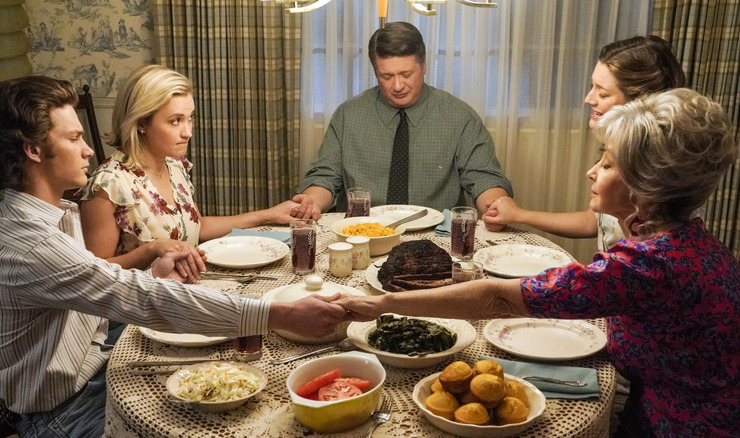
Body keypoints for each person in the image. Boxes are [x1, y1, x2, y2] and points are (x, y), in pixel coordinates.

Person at [338, 88, 740, 437]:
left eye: (607, 163)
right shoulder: (686, 238)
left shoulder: (647, 265)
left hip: (686, 424)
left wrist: (379, 306)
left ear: (645, 184)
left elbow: (499, 299)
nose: (591, 172)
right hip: (659, 404)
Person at [0, 75, 350, 438]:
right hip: (62, 412)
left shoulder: (54, 216)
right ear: (33, 151)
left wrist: (154, 276)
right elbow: (136, 298)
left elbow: (96, 287)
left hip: (99, 363)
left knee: (229, 375)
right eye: (74, 138)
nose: (88, 149)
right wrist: (279, 314)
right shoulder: (31, 244)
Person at [80, 65, 306, 270]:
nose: (188, 132)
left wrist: (269, 214)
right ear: (140, 124)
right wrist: (150, 249)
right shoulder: (108, 185)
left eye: (190, 118)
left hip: (184, 289)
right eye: (175, 121)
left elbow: (198, 226)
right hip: (140, 306)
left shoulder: (174, 164)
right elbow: (96, 272)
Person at [291, 22, 512, 226]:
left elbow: (483, 177)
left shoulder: (460, 116)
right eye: (386, 76)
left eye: (406, 74)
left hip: (434, 234)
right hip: (363, 232)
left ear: (424, 65)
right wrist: (311, 202)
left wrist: (495, 205)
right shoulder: (348, 115)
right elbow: (325, 176)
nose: (397, 86)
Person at [482, 35, 686, 251]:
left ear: (639, 102)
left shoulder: (657, 175)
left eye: (603, 93)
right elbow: (595, 222)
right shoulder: (620, 147)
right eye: (592, 86)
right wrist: (520, 215)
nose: (589, 98)